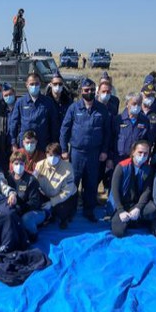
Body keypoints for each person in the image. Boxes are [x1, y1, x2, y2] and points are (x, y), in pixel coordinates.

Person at [60, 78, 111, 222]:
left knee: (91, 184)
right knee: (73, 183)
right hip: (76, 153)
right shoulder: (74, 108)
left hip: (94, 154)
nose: (89, 92)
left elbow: (107, 132)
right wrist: (64, 149)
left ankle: (89, 211)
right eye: (86, 90)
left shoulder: (102, 109)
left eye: (92, 90)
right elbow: (64, 129)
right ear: (81, 91)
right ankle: (70, 211)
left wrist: (104, 151)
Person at [110, 140, 155, 238]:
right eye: (140, 152)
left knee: (153, 209)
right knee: (118, 232)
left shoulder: (148, 169)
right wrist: (121, 210)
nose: (142, 155)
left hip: (136, 204)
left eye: (145, 153)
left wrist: (138, 207)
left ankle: (134, 217)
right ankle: (131, 220)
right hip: (122, 204)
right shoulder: (121, 166)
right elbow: (115, 190)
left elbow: (147, 190)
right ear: (133, 152)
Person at [9, 72, 59, 152]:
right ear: (27, 85)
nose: (34, 86)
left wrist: (53, 143)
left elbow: (54, 124)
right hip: (25, 144)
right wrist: (14, 143)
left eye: (37, 84)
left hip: (43, 144)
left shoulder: (48, 102)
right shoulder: (20, 102)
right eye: (32, 84)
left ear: (40, 84)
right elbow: (14, 123)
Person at [33, 143, 77, 228]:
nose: (53, 157)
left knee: (62, 213)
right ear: (46, 154)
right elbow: (34, 181)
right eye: (50, 155)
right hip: (46, 194)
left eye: (56, 155)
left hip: (64, 197)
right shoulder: (39, 165)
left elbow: (66, 192)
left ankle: (65, 217)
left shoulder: (68, 168)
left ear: (60, 156)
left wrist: (52, 202)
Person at [6, 150, 44, 240]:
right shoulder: (8, 179)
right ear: (11, 164)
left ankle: (33, 234)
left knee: (26, 220)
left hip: (33, 211)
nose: (19, 166)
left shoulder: (31, 180)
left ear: (25, 164)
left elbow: (34, 202)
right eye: (16, 163)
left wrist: (20, 209)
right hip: (15, 209)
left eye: (21, 163)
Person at [45, 71, 72, 143]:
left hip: (65, 139)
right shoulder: (45, 101)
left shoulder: (68, 102)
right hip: (49, 139)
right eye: (55, 84)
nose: (57, 86)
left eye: (60, 84)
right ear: (50, 84)